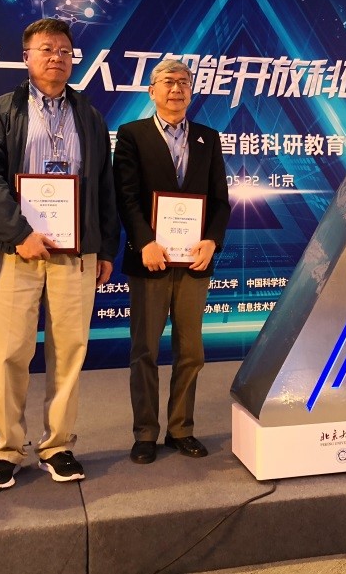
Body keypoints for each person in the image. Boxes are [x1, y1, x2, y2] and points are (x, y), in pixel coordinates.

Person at [0, 17, 120, 487]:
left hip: (76, 252)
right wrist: (20, 233)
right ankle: (6, 449)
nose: (56, 57)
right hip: (16, 249)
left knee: (69, 351)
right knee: (10, 352)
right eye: (45, 49)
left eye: (63, 50)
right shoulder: (0, 110)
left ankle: (58, 446)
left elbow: (103, 186)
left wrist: (103, 247)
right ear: (26, 57)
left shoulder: (89, 115)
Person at [112, 59, 230, 464]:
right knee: (145, 349)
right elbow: (126, 195)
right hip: (151, 259)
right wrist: (144, 241)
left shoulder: (208, 138)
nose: (176, 89)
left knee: (191, 350)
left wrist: (212, 240)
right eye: (168, 82)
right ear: (152, 91)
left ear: (191, 91)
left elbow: (220, 200)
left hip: (194, 261)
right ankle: (145, 433)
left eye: (183, 82)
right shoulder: (132, 135)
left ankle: (181, 428)